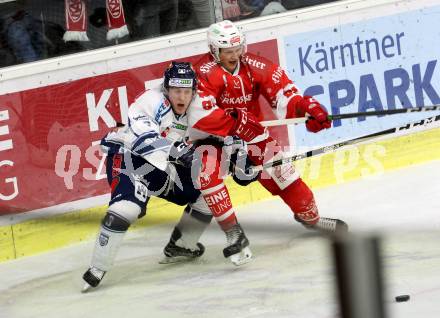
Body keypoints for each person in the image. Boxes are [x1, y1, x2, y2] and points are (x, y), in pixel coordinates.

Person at [164, 20, 347, 257]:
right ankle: (185, 242)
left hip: (253, 135)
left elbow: (284, 93)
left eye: (238, 48)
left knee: (286, 177)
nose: (234, 55)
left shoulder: (255, 65)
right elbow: (201, 115)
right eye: (228, 51)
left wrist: (306, 107)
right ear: (214, 50)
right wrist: (234, 125)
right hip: (213, 139)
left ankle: (310, 218)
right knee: (207, 182)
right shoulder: (202, 73)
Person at [82, 62, 214, 292]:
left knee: (208, 196)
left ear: (194, 90)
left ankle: (181, 246)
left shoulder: (198, 104)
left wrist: (235, 144)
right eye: (176, 91)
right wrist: (176, 150)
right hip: (129, 159)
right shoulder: (150, 101)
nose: (181, 97)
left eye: (186, 91)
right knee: (126, 210)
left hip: (162, 167)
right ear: (166, 89)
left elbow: (217, 132)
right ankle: (97, 268)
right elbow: (145, 139)